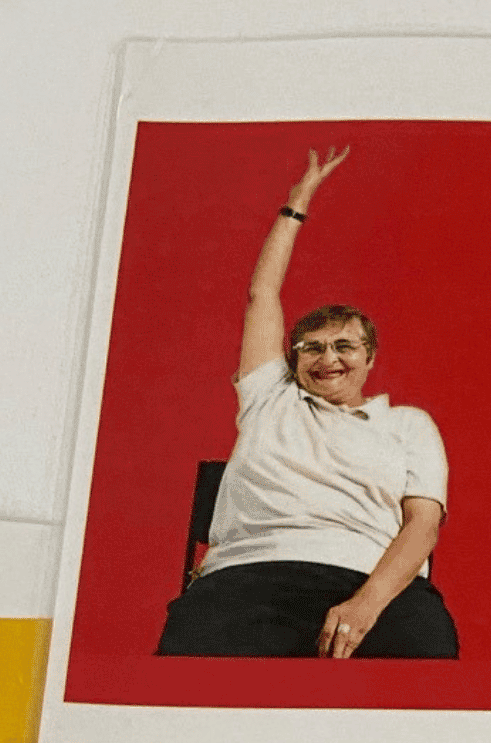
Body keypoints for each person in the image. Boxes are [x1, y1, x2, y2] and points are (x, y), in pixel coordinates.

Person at [156, 145, 459, 660]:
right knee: (190, 663)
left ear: (369, 358)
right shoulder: (269, 396)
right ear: (293, 359)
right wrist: (298, 203)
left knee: (427, 656)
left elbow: (422, 525)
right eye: (312, 348)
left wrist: (365, 606)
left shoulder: (408, 425)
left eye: (344, 346)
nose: (328, 359)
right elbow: (263, 294)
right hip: (248, 576)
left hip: (368, 577)